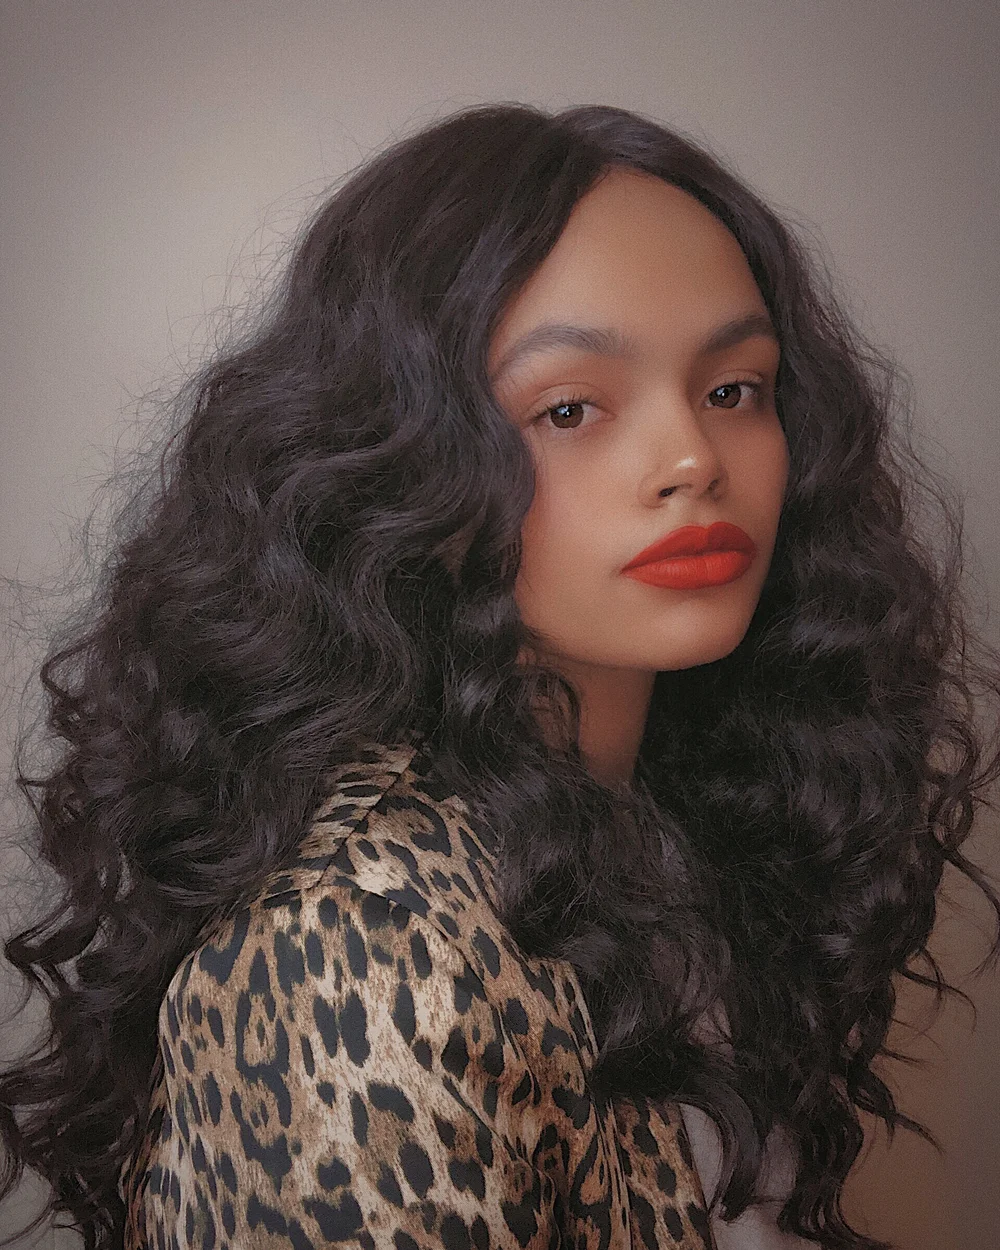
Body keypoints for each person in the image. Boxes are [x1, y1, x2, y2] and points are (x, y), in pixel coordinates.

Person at [1, 101, 998, 1250]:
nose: (691, 457)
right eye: (569, 407)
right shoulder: (370, 956)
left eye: (734, 388)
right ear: (397, 460)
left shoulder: (677, 825)